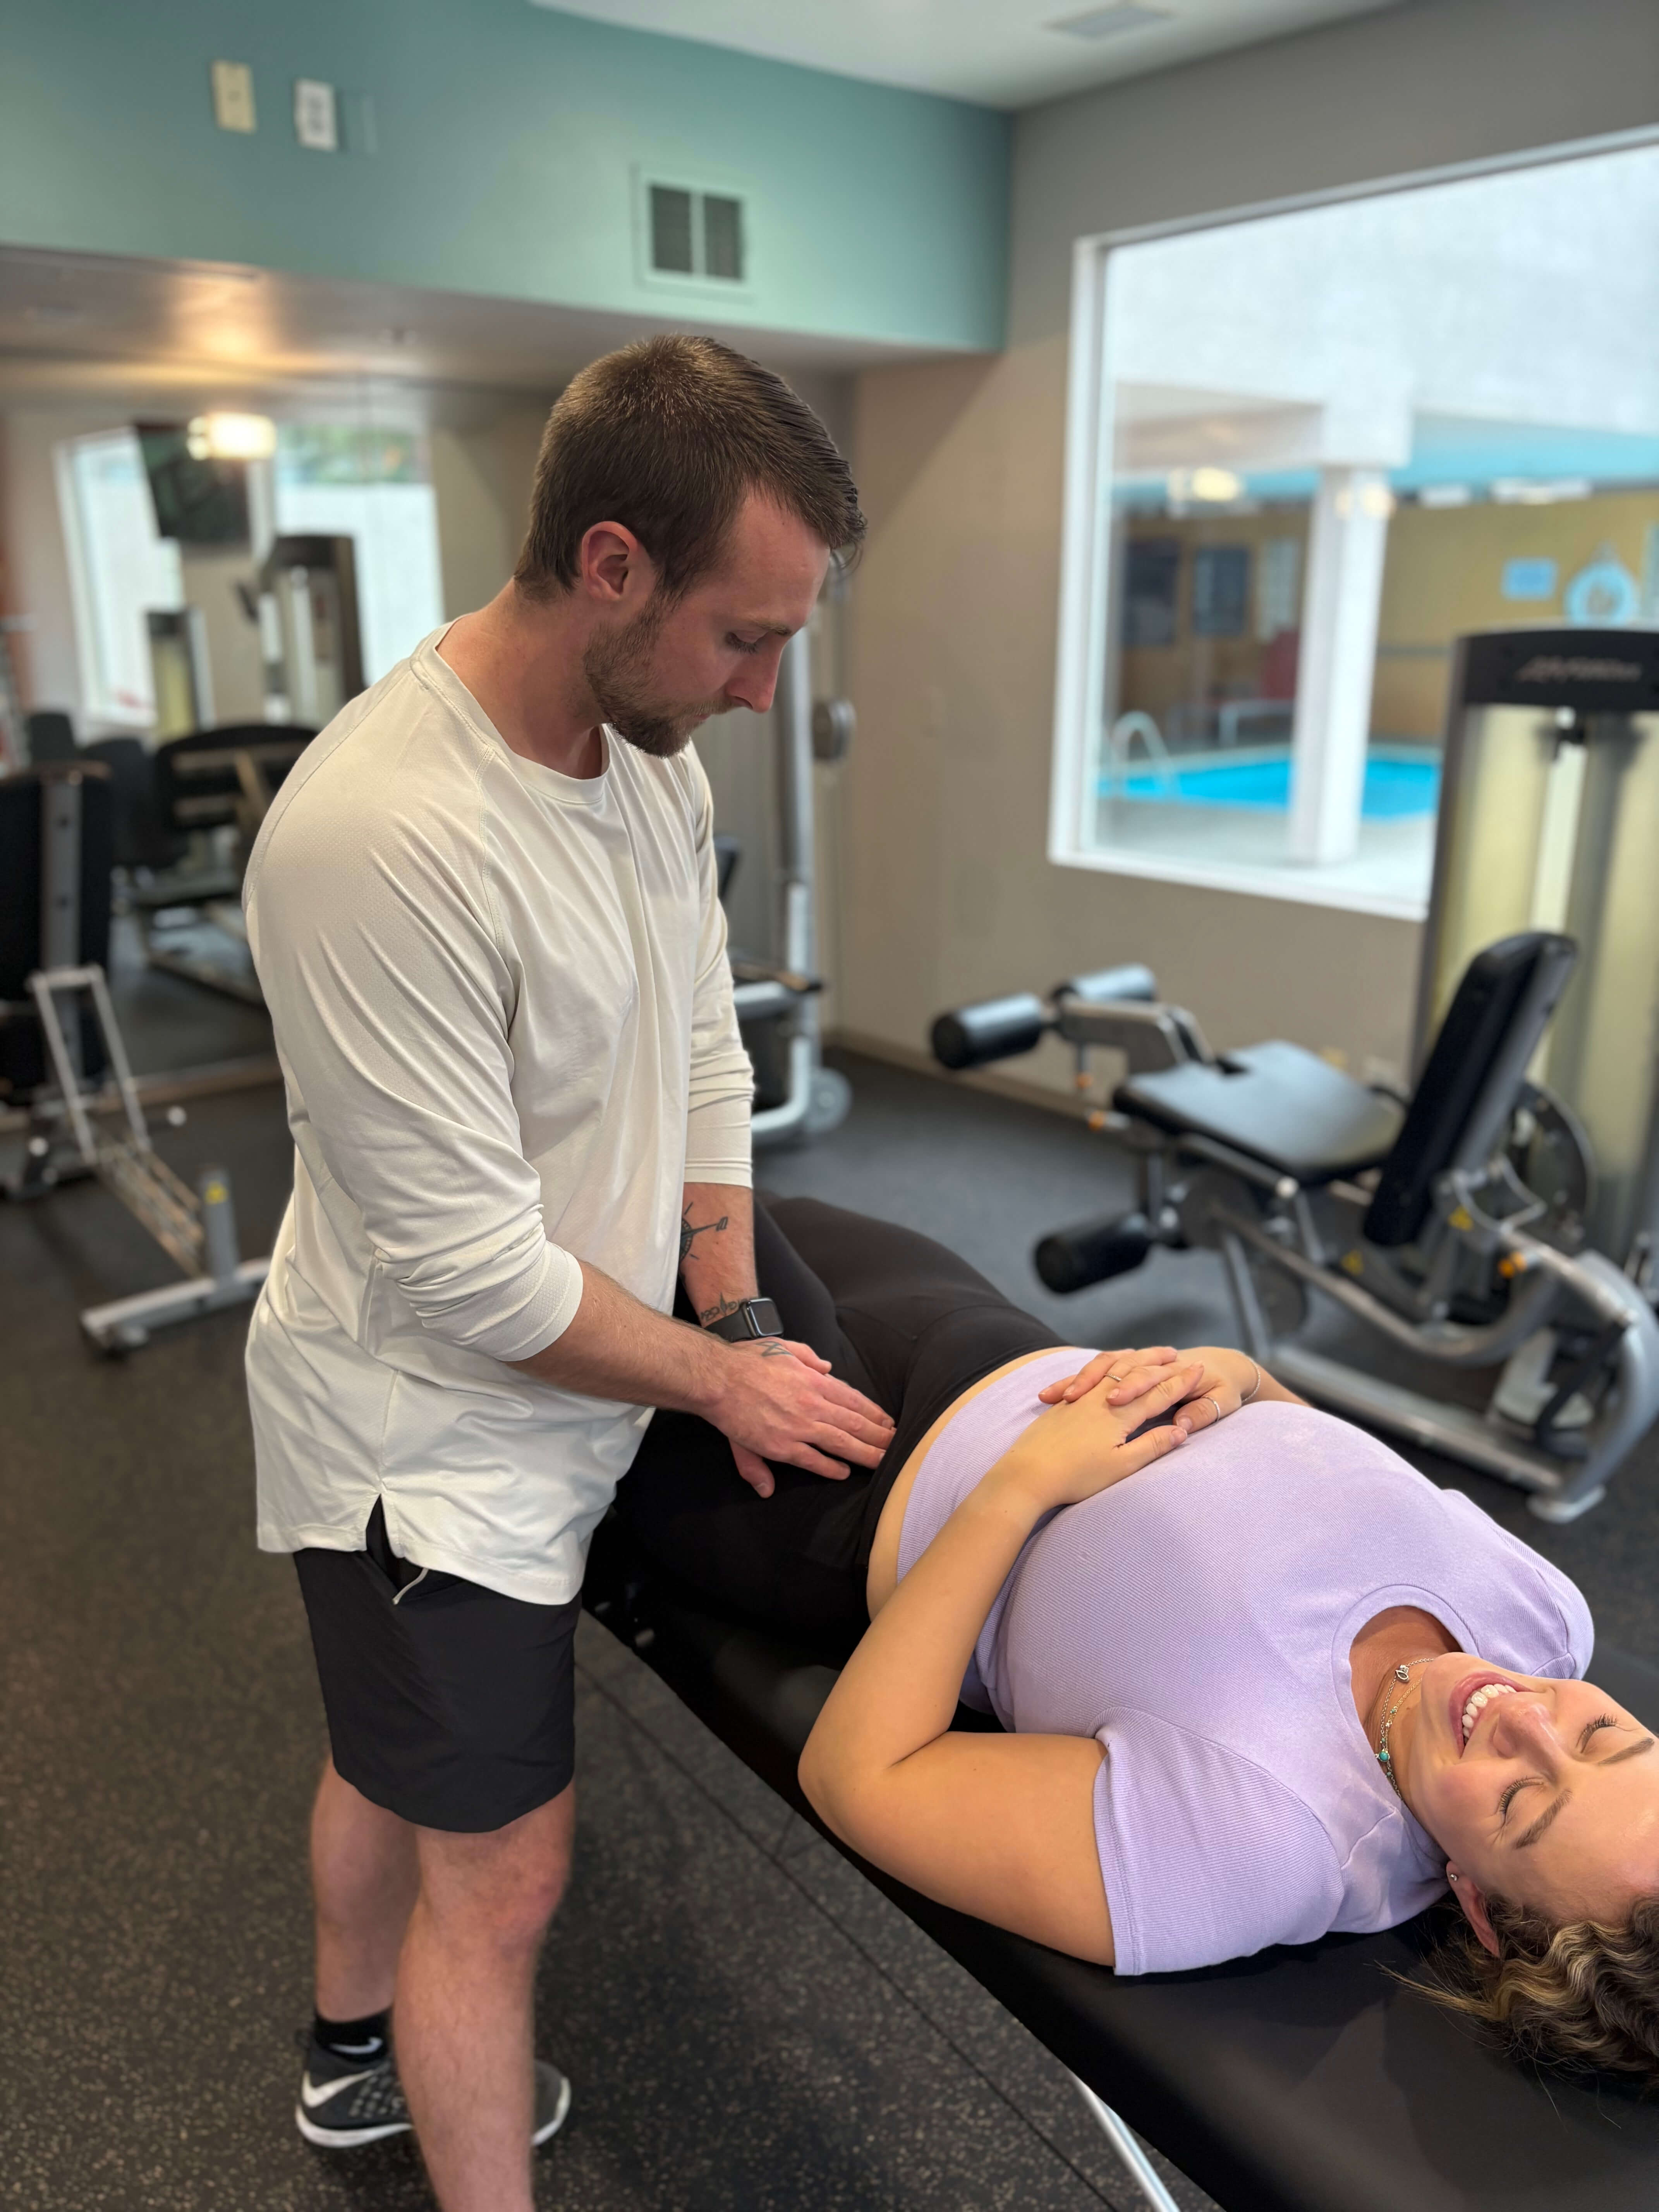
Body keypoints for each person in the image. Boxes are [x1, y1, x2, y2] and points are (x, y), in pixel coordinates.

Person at [242, 337, 896, 2212]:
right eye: (741, 639)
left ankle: (351, 2055)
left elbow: (704, 1044)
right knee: (505, 1874)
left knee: (396, 1762)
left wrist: (738, 1302)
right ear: (611, 565)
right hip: (425, 1440)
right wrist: (725, 1384)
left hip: (585, 1375)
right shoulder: (382, 837)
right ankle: (403, 2091)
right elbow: (462, 1279)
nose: (766, 691)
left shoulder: (643, 759)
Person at [618, 1196, 1659, 2081]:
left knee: (590, 1141)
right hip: (974, 1323)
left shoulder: (1268, 1843)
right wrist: (1241, 1381)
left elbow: (862, 1777)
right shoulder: (1546, 1617)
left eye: (1522, 1800)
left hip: (826, 1472)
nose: (1522, 1713)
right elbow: (1339, 1477)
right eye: (1606, 1736)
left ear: (1474, 1908)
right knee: (646, 1114)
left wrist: (1019, 1488)